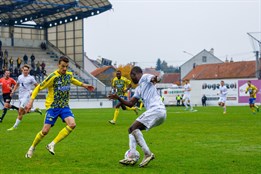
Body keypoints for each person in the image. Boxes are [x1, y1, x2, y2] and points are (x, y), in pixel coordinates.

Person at [25, 56, 94, 158]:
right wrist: (31, 101)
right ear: (58, 65)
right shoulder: (53, 77)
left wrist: (84, 85)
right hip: (53, 107)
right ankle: (32, 148)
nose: (65, 69)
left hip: (64, 106)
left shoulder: (68, 75)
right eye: (62, 66)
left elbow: (73, 80)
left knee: (72, 124)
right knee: (45, 131)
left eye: (66, 66)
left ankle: (52, 144)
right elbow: (38, 87)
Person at [108, 66, 166, 167]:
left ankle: (147, 154)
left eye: (132, 77)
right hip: (159, 113)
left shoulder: (144, 77)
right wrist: (118, 98)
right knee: (132, 130)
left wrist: (156, 79)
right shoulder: (138, 89)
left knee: (133, 128)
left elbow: (154, 79)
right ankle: (132, 156)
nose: (132, 80)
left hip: (156, 109)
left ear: (135, 74)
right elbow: (130, 103)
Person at [7, 65, 42, 131]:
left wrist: (33, 92)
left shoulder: (31, 78)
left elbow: (37, 86)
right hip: (20, 96)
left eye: (27, 70)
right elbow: (17, 85)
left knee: (20, 112)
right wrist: (12, 92)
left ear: (28, 71)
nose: (25, 71)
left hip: (27, 96)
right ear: (22, 70)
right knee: (24, 112)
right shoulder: (20, 77)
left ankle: (14, 127)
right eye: (24, 70)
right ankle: (34, 110)